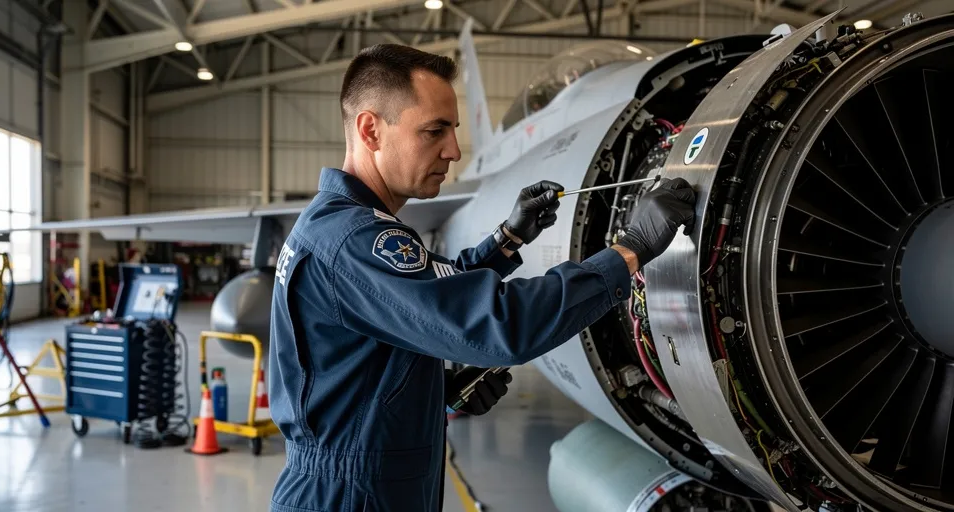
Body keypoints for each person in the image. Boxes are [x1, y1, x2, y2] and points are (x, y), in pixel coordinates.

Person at [267, 43, 696, 512]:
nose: (453, 151)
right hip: (349, 497)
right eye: (435, 131)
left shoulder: (342, 225)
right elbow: (503, 324)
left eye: (452, 130)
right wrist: (630, 250)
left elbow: (426, 298)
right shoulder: (354, 240)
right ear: (371, 130)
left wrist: (508, 239)